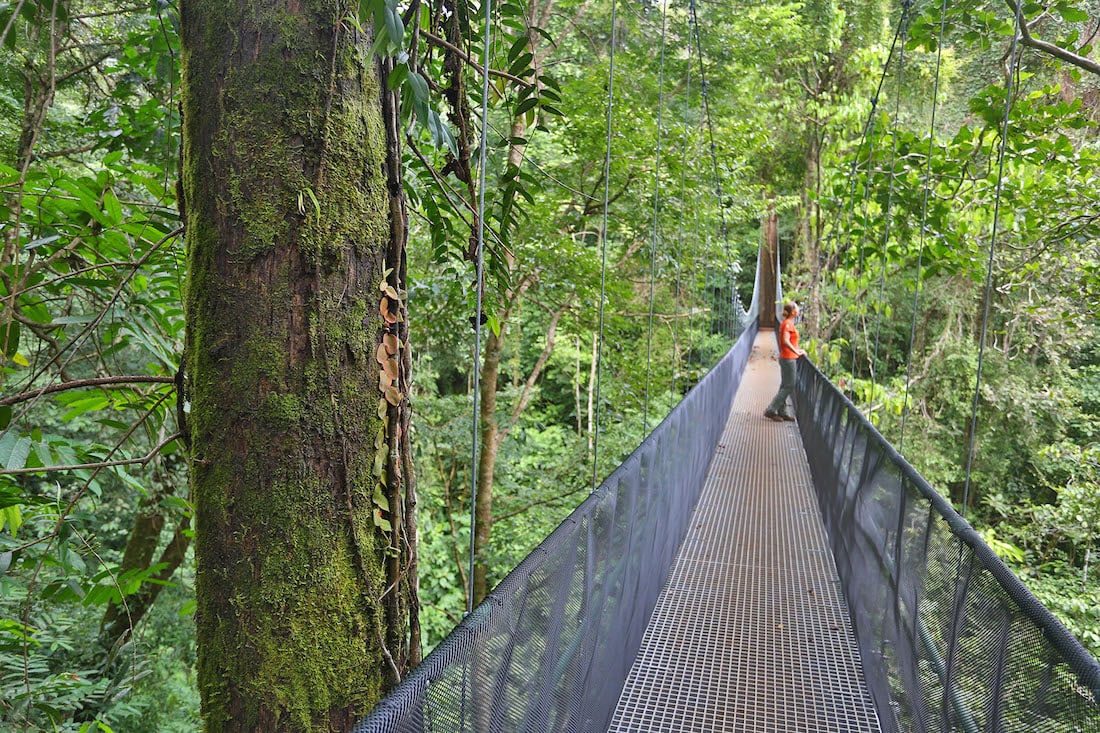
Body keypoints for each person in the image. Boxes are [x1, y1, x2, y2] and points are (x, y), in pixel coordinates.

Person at [765, 302, 806, 422]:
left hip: (788, 357)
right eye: (797, 308)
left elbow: (790, 342)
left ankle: (782, 412)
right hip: (788, 358)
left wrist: (797, 350)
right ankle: (771, 409)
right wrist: (796, 351)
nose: (799, 310)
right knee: (790, 385)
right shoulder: (788, 324)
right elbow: (785, 341)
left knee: (785, 385)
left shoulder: (788, 323)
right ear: (793, 312)